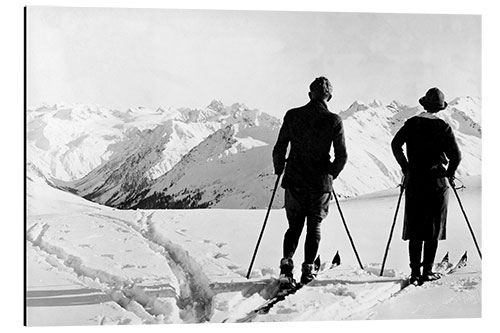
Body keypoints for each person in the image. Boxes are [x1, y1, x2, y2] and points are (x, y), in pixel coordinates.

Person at [272, 76, 348, 286]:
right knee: (314, 226)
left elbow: (280, 147)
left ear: (309, 94)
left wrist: (279, 168)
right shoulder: (334, 120)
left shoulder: (292, 115)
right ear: (329, 97)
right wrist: (331, 173)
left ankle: (286, 269)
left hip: (295, 178)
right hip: (320, 181)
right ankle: (308, 269)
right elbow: (342, 155)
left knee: (294, 226)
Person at [391, 87, 461, 285]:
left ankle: (414, 272)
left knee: (415, 227)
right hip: (437, 182)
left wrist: (406, 168)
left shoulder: (412, 123)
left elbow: (395, 145)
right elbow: (456, 156)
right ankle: (427, 271)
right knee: (433, 228)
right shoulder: (443, 127)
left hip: (415, 181)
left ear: (424, 104)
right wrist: (450, 174)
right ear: (439, 108)